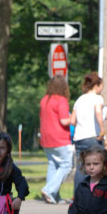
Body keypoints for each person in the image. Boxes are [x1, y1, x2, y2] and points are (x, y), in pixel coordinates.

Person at [39, 75, 74, 204]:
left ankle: (53, 196)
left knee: (53, 165)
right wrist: (75, 119)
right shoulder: (61, 100)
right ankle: (48, 190)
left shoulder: (44, 100)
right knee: (66, 165)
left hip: (46, 139)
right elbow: (64, 121)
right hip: (60, 138)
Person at [71, 72, 106, 191]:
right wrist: (102, 130)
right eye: (101, 86)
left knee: (81, 167)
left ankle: (78, 196)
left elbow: (72, 120)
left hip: (79, 138)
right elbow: (98, 113)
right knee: (98, 167)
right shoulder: (97, 98)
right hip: (93, 137)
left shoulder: (79, 99)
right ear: (96, 85)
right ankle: (98, 194)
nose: (102, 89)